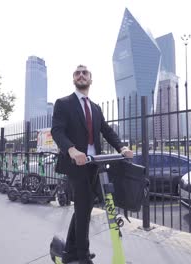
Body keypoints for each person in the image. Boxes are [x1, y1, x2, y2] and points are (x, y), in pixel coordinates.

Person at [51, 65, 133, 264]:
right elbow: (57, 131)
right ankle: (83, 257)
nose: (81, 75)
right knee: (84, 204)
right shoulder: (64, 103)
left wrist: (122, 148)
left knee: (84, 207)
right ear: (73, 79)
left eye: (84, 73)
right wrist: (72, 150)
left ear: (90, 79)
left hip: (94, 164)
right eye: (77, 73)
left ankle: (70, 250)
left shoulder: (95, 108)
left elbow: (106, 130)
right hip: (75, 163)